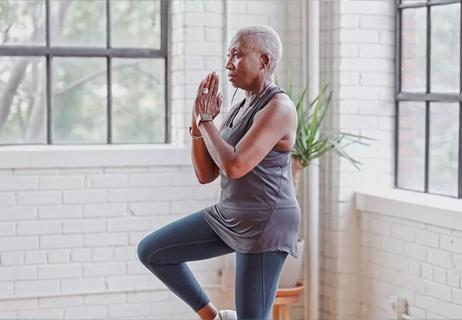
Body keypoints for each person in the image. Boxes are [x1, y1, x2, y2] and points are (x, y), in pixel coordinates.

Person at [137, 25, 301, 320]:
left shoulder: (279, 108)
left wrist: (206, 120)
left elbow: (234, 166)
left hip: (264, 223)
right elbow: (206, 173)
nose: (228, 64)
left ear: (264, 61)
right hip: (230, 214)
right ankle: (214, 317)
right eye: (228, 55)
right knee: (152, 251)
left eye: (236, 55)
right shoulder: (240, 106)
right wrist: (198, 123)